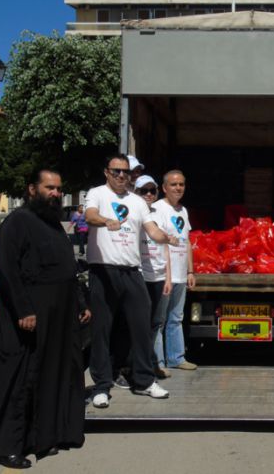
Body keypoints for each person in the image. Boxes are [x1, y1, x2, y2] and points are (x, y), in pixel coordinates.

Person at [0, 169, 91, 470]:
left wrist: (80, 302)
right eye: (50, 188)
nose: (56, 194)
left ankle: (42, 438)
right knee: (21, 381)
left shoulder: (53, 224)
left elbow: (67, 268)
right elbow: (8, 271)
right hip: (27, 317)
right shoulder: (16, 223)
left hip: (57, 317)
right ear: (32, 189)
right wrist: (24, 310)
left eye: (59, 189)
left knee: (48, 376)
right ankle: (8, 448)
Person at [86, 155, 178, 408]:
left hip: (132, 271)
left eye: (125, 172)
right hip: (103, 270)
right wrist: (106, 221)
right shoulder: (96, 194)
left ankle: (145, 381)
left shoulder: (137, 201)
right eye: (116, 171)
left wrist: (166, 238)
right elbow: (91, 216)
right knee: (102, 330)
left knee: (141, 327)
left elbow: (152, 230)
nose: (121, 176)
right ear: (106, 172)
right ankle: (101, 386)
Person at [152, 170, 198, 371]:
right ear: (164, 187)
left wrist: (190, 271)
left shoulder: (183, 211)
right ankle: (158, 362)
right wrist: (166, 274)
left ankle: (176, 358)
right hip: (165, 274)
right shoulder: (157, 209)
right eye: (173, 184)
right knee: (159, 320)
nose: (178, 188)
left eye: (181, 184)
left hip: (181, 273)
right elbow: (159, 241)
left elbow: (186, 241)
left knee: (176, 318)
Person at [135, 175, 173, 379]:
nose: (148, 194)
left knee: (156, 322)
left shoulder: (161, 212)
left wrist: (168, 277)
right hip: (141, 275)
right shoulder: (134, 210)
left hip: (159, 275)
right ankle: (139, 365)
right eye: (144, 191)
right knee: (141, 322)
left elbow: (165, 246)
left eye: (152, 190)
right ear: (136, 192)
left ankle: (152, 363)